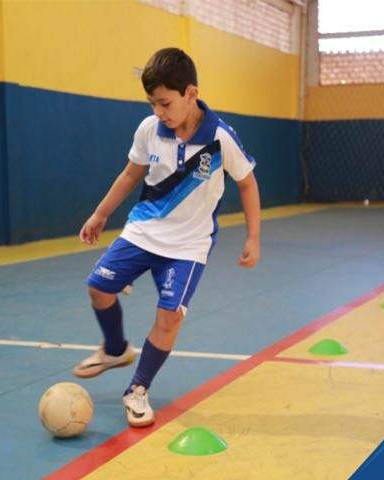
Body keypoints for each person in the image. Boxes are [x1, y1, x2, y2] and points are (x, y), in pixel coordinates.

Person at [73, 48, 261, 427]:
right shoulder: (149, 129)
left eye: (165, 103)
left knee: (169, 317)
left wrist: (254, 237)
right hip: (144, 230)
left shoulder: (221, 138)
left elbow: (247, 183)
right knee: (98, 288)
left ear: (191, 93)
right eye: (152, 103)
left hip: (189, 245)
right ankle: (114, 349)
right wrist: (101, 213)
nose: (159, 112)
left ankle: (138, 388)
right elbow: (130, 175)